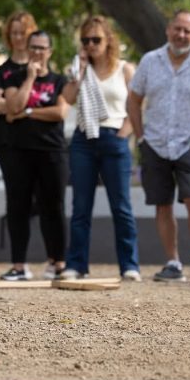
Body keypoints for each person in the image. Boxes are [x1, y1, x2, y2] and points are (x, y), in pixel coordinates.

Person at [125, 10, 190, 283]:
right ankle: (173, 263)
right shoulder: (150, 61)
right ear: (168, 29)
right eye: (177, 29)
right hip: (155, 144)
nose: (181, 35)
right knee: (162, 205)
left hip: (189, 145)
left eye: (187, 31)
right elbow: (134, 100)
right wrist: (141, 137)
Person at [59, 16, 140, 281]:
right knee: (81, 206)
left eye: (96, 39)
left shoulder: (125, 69)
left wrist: (125, 131)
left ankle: (129, 265)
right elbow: (68, 99)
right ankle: (76, 264)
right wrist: (81, 71)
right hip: (84, 138)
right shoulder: (79, 69)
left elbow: (138, 103)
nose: (91, 44)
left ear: (108, 40)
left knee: (121, 206)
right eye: (86, 40)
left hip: (113, 136)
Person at [0, 30, 69, 281]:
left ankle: (57, 263)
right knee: (18, 207)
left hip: (52, 150)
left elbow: (59, 113)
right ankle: (19, 265)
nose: (37, 52)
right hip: (19, 151)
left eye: (42, 47)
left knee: (54, 207)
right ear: (27, 49)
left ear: (50, 51)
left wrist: (27, 112)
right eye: (33, 47)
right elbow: (12, 107)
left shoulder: (59, 80)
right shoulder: (13, 77)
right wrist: (29, 78)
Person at [0, 11, 36, 189]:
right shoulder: (1, 71)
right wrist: (16, 106)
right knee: (16, 195)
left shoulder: (38, 68)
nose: (18, 37)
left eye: (22, 33)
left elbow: (45, 102)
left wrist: (11, 105)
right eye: (14, 33)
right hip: (8, 141)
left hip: (37, 140)